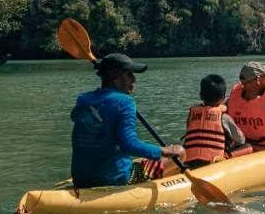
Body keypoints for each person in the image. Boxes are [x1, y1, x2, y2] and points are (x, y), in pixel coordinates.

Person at [70, 52, 183, 188]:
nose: (134, 80)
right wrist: (164, 151)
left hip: (80, 179)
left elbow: (77, 118)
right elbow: (129, 144)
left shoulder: (83, 99)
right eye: (129, 74)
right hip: (115, 179)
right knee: (180, 152)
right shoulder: (125, 102)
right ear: (115, 77)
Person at [181, 73, 251, 168]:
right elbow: (240, 139)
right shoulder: (223, 116)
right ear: (223, 98)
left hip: (190, 161)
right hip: (212, 161)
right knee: (248, 146)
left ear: (201, 96)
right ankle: (225, 157)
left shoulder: (192, 113)